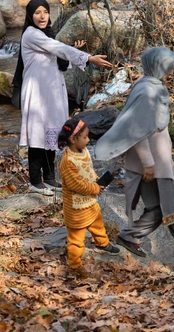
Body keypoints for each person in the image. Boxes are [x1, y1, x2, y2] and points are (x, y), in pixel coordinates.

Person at [94, 46, 174, 260]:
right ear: (157, 66)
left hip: (157, 160)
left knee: (161, 206)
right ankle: (139, 238)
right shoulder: (147, 91)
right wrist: (148, 163)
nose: (170, 71)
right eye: (168, 67)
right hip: (153, 163)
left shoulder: (150, 84)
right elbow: (137, 129)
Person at [12, 0, 112, 196]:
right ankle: (35, 181)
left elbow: (60, 59)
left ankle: (49, 179)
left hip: (52, 92)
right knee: (38, 135)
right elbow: (59, 49)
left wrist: (73, 49)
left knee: (52, 133)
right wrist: (88, 57)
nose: (42, 16)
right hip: (37, 92)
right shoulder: (32, 34)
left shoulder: (46, 34)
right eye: (37, 12)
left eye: (45, 12)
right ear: (30, 16)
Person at [58, 118, 120, 279]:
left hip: (89, 202)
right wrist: (94, 188)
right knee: (76, 239)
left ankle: (103, 243)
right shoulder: (67, 162)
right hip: (76, 207)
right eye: (85, 137)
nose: (88, 140)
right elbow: (75, 185)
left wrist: (97, 180)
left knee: (98, 224)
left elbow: (88, 170)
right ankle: (74, 264)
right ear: (73, 139)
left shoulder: (83, 151)